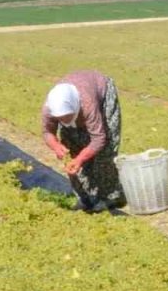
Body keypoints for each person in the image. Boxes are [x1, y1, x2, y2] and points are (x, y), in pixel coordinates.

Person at [41, 71, 123, 212]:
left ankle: (109, 196)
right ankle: (86, 197)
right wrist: (56, 146)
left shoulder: (87, 104)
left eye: (67, 116)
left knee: (106, 149)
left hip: (100, 90)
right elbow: (47, 132)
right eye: (60, 118)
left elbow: (99, 139)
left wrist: (80, 159)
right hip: (79, 100)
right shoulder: (49, 109)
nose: (64, 120)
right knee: (71, 148)